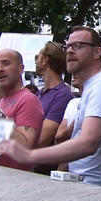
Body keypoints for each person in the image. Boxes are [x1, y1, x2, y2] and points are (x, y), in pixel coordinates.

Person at [0, 27, 101, 187]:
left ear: (97, 52)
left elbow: (88, 142)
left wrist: (29, 155)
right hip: (82, 183)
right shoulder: (91, 87)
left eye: (77, 45)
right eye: (67, 46)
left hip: (97, 188)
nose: (69, 51)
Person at [0, 49, 44, 171]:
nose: (0, 69)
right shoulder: (2, 101)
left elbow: (24, 147)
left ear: (21, 69)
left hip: (14, 181)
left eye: (6, 63)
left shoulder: (28, 100)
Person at [33, 41, 73, 174]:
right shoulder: (40, 93)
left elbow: (41, 140)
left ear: (45, 60)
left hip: (42, 174)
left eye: (37, 57)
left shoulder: (62, 95)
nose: (35, 61)